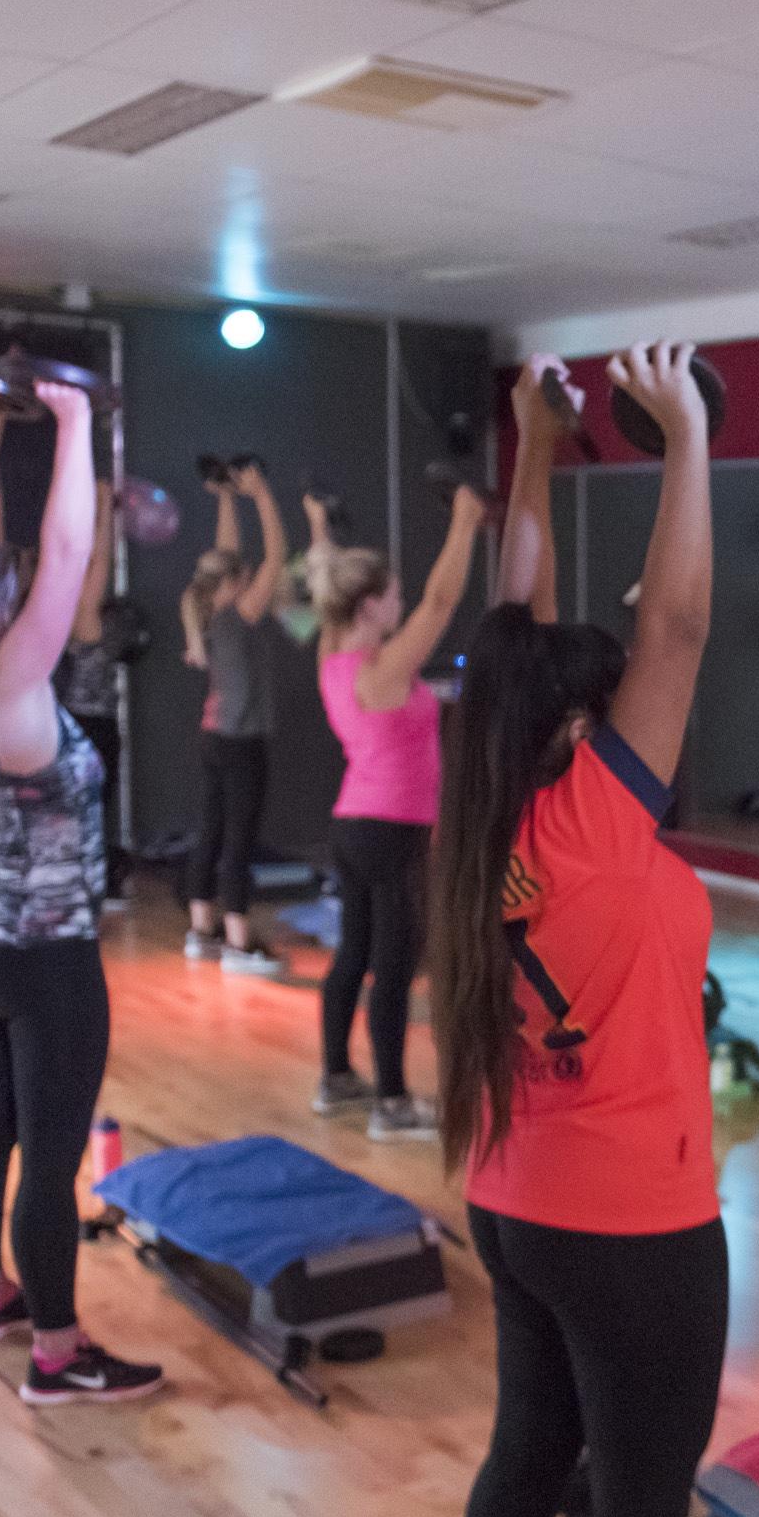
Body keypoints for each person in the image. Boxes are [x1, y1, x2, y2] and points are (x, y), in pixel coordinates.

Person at [427, 348, 759, 1517]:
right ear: (584, 732)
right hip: (635, 1228)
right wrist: (684, 435)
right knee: (640, 1512)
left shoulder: (482, 800)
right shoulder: (587, 820)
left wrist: (538, 440)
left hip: (515, 1200)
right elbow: (677, 628)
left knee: (529, 1448)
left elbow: (514, 620)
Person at [0, 369, 163, 1408]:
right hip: (51, 962)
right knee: (48, 1165)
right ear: (6, 613)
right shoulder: (13, 684)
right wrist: (73, 419)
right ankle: (57, 1353)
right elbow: (63, 551)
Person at [306, 484, 486, 1141]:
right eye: (393, 595)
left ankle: (335, 1079)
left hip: (354, 823)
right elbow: (441, 603)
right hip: (393, 830)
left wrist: (319, 526)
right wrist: (465, 522)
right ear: (369, 604)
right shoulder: (380, 669)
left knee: (354, 954)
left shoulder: (333, 657)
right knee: (393, 965)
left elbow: (325, 585)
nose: (402, 604)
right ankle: (391, 1104)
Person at [180, 455, 286, 974]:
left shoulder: (206, 610)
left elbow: (230, 557)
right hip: (241, 744)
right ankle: (240, 944)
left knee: (212, 831)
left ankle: (202, 932)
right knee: (239, 838)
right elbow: (277, 557)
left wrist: (226, 496)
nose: (250, 576)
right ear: (235, 584)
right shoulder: (239, 615)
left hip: (213, 738)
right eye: (243, 575)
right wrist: (261, 496)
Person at [54, 435, 128, 910]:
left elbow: (97, 562)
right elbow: (100, 560)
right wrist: (104, 509)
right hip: (89, 725)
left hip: (86, 724)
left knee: (87, 809)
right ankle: (91, 890)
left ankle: (92, 887)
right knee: (89, 810)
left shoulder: (72, 611)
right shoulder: (81, 615)